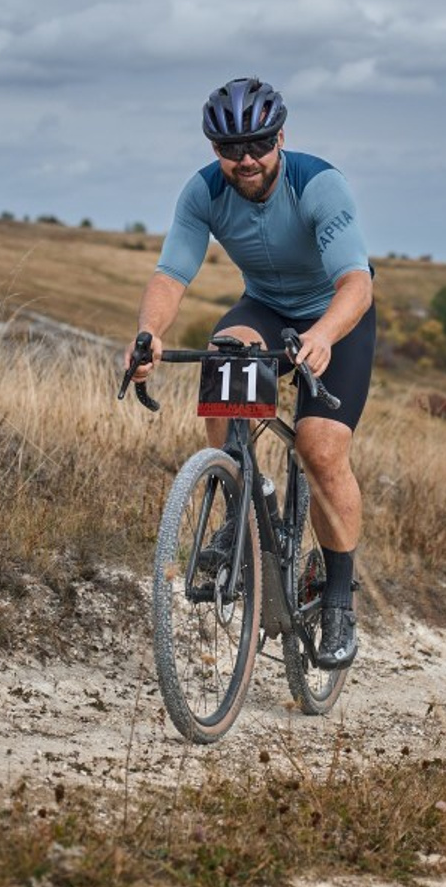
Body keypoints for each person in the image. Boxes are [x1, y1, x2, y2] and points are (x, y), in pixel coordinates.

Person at [125, 77, 375, 670]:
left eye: (257, 145)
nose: (244, 161)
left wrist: (320, 336)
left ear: (280, 137)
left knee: (320, 449)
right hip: (264, 304)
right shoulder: (204, 191)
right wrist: (149, 336)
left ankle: (338, 598)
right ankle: (245, 493)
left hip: (336, 315)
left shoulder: (317, 184)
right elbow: (171, 274)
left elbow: (356, 282)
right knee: (224, 353)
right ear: (215, 150)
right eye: (229, 149)